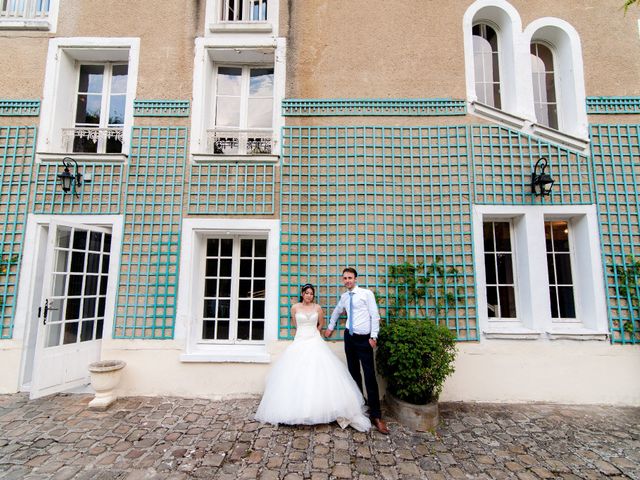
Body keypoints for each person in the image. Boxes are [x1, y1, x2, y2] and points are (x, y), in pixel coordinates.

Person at [255, 284, 371, 432]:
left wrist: (314, 335)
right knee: (296, 373)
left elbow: (320, 324)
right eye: (307, 293)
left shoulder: (318, 308)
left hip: (314, 340)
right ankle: (296, 410)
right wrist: (303, 335)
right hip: (300, 340)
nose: (309, 295)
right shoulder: (295, 307)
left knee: (319, 372)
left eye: (311, 293)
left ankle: (321, 410)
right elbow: (296, 325)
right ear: (302, 294)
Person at [324, 268, 389, 434]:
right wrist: (330, 327)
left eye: (350, 278)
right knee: (353, 374)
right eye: (345, 278)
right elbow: (337, 311)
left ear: (355, 279)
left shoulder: (366, 294)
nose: (347, 281)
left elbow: (374, 315)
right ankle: (359, 408)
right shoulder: (344, 297)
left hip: (364, 339)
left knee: (369, 376)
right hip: (349, 338)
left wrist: (373, 336)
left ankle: (376, 416)